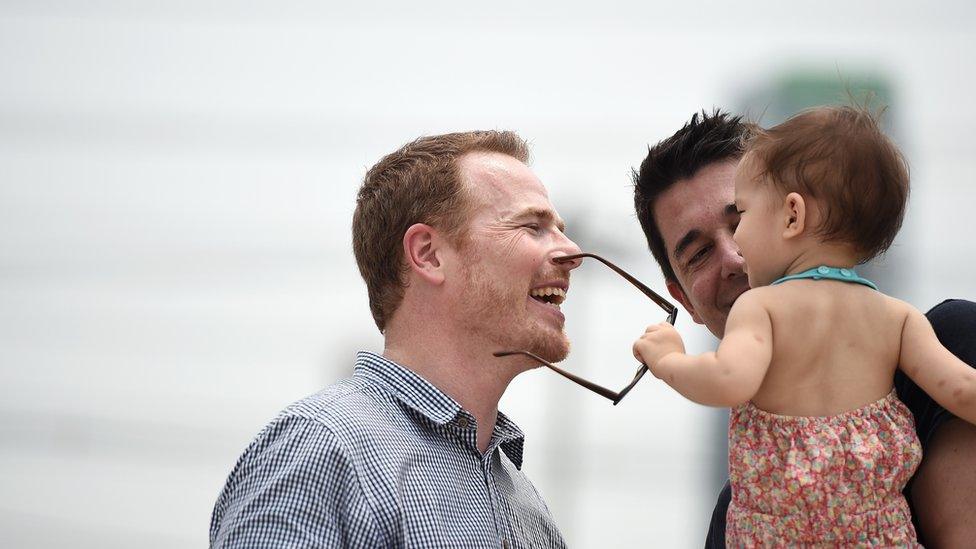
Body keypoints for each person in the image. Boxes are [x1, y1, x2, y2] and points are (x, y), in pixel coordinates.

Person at [209, 130, 581, 548]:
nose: (573, 252)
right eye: (533, 226)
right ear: (428, 254)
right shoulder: (320, 450)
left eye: (560, 229)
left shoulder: (529, 508)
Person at [633, 105, 976, 546]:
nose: (735, 255)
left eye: (741, 218)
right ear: (684, 300)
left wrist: (669, 359)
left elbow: (726, 379)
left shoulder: (950, 336)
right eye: (698, 254)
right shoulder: (733, 518)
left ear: (794, 215)